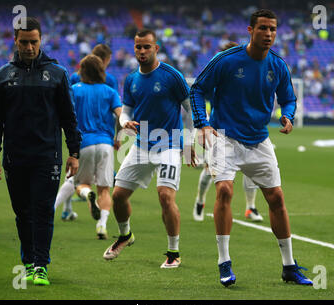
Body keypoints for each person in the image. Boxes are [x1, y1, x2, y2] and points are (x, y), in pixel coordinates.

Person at [190, 9, 312, 287]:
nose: (268, 34)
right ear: (250, 30)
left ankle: (289, 267)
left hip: (259, 139)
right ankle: (224, 262)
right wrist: (202, 123)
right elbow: (197, 89)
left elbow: (289, 98)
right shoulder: (226, 60)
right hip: (225, 137)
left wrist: (288, 115)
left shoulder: (278, 66)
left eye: (273, 29)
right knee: (223, 190)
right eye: (263, 28)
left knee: (277, 199)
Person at [0, 17, 81, 286]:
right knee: (23, 213)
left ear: (41, 41)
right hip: (15, 158)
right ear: (15, 40)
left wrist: (74, 152)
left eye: (34, 42)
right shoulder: (2, 76)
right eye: (24, 41)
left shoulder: (57, 74)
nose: (29, 47)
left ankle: (40, 265)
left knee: (42, 211)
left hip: (47, 156)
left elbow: (68, 117)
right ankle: (28, 261)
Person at [103, 29, 196, 268]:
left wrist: (189, 142)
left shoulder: (171, 76)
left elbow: (190, 109)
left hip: (170, 145)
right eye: (138, 47)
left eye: (146, 47)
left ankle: (173, 252)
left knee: (165, 196)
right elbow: (126, 111)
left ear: (156, 48)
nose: (142, 51)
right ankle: (125, 236)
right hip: (142, 145)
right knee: (118, 196)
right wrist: (125, 123)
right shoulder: (132, 79)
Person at [193, 41, 263, 223]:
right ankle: (200, 200)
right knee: (210, 171)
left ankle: (251, 207)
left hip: (245, 130)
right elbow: (199, 94)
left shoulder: (245, 77)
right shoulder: (215, 77)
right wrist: (203, 125)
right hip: (219, 130)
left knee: (251, 170)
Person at [55, 54, 122, 240]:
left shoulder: (75, 90)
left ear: (82, 71)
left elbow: (63, 115)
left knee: (79, 184)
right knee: (105, 189)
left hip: (83, 144)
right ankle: (102, 225)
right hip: (106, 144)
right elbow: (120, 116)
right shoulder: (110, 92)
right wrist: (118, 136)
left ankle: (86, 193)